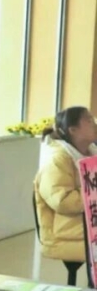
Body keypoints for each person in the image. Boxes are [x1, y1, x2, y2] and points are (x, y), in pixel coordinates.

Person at [34, 106, 97, 263]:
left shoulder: (92, 152)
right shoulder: (57, 160)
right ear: (73, 130)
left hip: (87, 222)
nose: (95, 123)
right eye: (89, 120)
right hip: (65, 232)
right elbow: (62, 201)